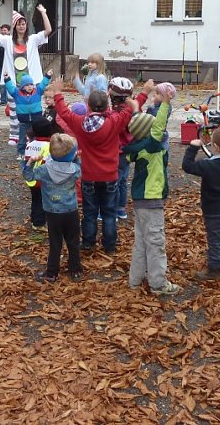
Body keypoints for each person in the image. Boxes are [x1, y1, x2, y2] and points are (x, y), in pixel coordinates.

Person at [53, 77, 151, 254]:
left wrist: (57, 92)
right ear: (107, 107)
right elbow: (130, 109)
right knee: (109, 213)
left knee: (89, 213)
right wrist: (144, 91)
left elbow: (64, 112)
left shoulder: (79, 123)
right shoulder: (114, 121)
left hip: (89, 176)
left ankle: (88, 243)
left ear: (88, 106)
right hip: (110, 176)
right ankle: (109, 245)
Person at [122, 89, 180, 295]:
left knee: (141, 241)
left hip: (140, 201)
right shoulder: (152, 145)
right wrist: (165, 103)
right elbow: (157, 125)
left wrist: (135, 110)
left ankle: (135, 280)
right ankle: (158, 284)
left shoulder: (138, 146)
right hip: (151, 199)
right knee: (156, 242)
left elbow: (142, 125)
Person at [181, 126, 220, 281]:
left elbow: (187, 166)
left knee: (216, 239)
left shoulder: (207, 165)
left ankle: (215, 269)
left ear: (215, 147)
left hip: (214, 209)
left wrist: (193, 148)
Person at [0, 4, 52, 145]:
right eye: (18, 24)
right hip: (13, 82)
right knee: (14, 110)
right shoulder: (7, 40)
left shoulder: (33, 39)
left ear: (26, 25)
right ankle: (14, 135)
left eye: (23, 24)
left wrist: (43, 12)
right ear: (15, 26)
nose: (21, 26)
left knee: (34, 110)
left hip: (32, 82)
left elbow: (48, 30)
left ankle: (34, 135)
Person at [22, 133, 83, 283]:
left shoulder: (44, 169)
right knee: (73, 241)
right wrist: (76, 158)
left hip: (52, 212)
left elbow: (28, 176)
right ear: (71, 155)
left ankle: (52, 273)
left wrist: (30, 161)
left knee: (55, 243)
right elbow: (79, 167)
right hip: (71, 211)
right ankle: (75, 270)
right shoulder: (74, 169)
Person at [4, 69, 53, 158]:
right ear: (22, 87)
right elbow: (10, 87)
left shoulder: (38, 91)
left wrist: (48, 75)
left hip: (36, 120)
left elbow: (43, 84)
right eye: (27, 85)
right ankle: (21, 152)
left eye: (31, 84)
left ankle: (35, 151)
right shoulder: (17, 93)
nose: (30, 87)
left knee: (36, 137)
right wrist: (7, 79)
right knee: (22, 138)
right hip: (24, 121)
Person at [109, 77, 136, 221]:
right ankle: (121, 209)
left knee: (114, 181)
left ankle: (112, 210)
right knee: (123, 181)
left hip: (116, 151)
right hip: (128, 150)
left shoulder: (114, 115)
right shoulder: (132, 112)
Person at [23, 116, 56, 232]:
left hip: (31, 178)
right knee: (42, 201)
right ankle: (39, 223)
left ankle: (35, 219)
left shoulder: (30, 144)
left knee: (35, 199)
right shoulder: (49, 146)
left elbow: (26, 161)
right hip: (43, 179)